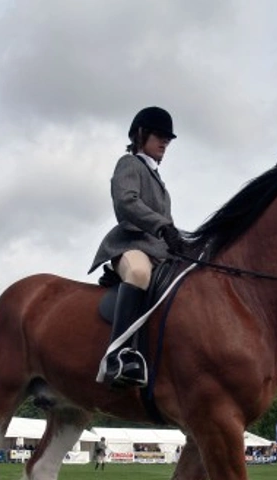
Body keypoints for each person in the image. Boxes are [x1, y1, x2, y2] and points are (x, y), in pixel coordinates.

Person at [88, 106, 186, 388]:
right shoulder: (129, 164)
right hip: (130, 244)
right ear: (141, 135)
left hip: (158, 250)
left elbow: (164, 223)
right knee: (140, 274)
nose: (165, 142)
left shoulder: (159, 180)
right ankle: (116, 357)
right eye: (160, 136)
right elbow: (127, 203)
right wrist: (163, 226)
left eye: (168, 139)